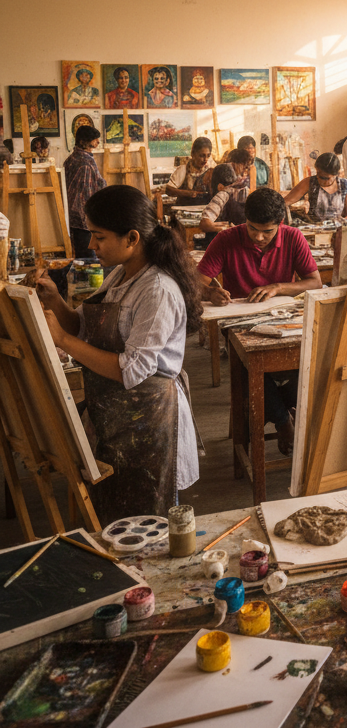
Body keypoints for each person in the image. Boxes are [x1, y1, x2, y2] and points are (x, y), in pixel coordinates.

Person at [32, 185, 201, 523]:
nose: (91, 245)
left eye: (99, 236)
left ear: (132, 238)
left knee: (153, 520)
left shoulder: (157, 290)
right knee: (121, 516)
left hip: (152, 420)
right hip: (121, 415)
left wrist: (62, 339)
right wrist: (54, 300)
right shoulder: (122, 274)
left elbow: (132, 370)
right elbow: (85, 326)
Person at [197, 188, 322, 454]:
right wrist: (210, 292)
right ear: (245, 219)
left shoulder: (293, 237)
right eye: (253, 229)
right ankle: (282, 420)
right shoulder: (226, 239)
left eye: (268, 231)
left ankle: (283, 415)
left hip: (281, 319)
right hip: (239, 323)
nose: (259, 237)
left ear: (281, 224)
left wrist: (278, 287)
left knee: (304, 361)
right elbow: (196, 283)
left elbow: (315, 281)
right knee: (252, 366)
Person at [63, 124, 107, 258]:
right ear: (84, 141)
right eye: (94, 139)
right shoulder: (86, 163)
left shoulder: (70, 159)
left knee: (80, 257)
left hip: (70, 215)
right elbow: (86, 193)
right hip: (84, 217)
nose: (98, 142)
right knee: (88, 260)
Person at [283, 151, 347, 222]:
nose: (321, 180)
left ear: (336, 175)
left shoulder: (344, 185)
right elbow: (286, 201)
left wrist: (337, 223)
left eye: (326, 178)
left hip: (337, 226)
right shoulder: (310, 182)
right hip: (314, 227)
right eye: (319, 176)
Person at [197, 159, 250, 235]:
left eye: (209, 182)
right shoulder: (247, 191)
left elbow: (204, 224)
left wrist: (226, 229)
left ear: (220, 187)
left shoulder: (223, 195)